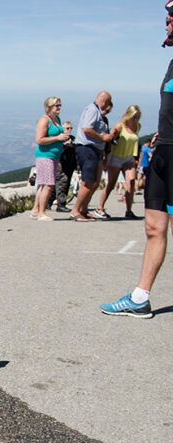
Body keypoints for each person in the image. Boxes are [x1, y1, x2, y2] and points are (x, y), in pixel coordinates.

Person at [101, 1, 173, 318]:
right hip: (164, 152)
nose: (167, 21)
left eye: (172, 16)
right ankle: (140, 297)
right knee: (154, 228)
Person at [71, 91, 117, 221]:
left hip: (95, 150)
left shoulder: (97, 113)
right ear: (104, 102)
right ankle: (76, 210)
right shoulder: (93, 110)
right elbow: (87, 128)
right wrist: (102, 137)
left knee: (93, 181)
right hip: (87, 148)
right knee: (88, 181)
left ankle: (83, 209)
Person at [94, 105, 142, 220]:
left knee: (130, 182)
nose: (136, 119)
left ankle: (129, 210)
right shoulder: (120, 125)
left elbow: (136, 142)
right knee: (111, 184)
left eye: (138, 117)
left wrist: (137, 158)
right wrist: (107, 156)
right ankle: (100, 207)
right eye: (134, 116)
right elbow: (111, 139)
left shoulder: (137, 126)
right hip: (116, 157)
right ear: (129, 115)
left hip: (129, 157)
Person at [30, 97, 70, 221]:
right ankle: (42, 213)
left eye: (59, 105)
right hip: (45, 156)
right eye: (56, 105)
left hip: (54, 156)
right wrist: (57, 138)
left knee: (44, 184)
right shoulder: (44, 120)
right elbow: (39, 139)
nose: (58, 107)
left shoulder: (57, 119)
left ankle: (36, 210)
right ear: (49, 107)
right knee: (48, 184)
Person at [50, 121, 77, 212]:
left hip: (70, 165)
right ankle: (60, 204)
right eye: (67, 128)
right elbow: (55, 152)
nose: (69, 130)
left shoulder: (73, 140)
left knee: (62, 184)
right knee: (61, 184)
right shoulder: (58, 140)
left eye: (71, 128)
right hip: (60, 166)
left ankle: (49, 202)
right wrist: (64, 146)